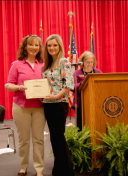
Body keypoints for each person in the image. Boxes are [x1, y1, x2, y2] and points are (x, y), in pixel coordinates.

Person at [5, 35, 46, 176]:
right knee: (24, 139)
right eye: (31, 44)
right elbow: (8, 85)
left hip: (39, 107)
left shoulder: (44, 64)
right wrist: (18, 87)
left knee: (39, 139)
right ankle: (23, 167)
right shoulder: (16, 64)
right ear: (25, 46)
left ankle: (39, 169)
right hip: (21, 106)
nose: (33, 47)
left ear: (40, 48)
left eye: (37, 45)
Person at [42, 34, 75, 176]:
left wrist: (56, 96)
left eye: (55, 45)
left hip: (59, 104)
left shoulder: (63, 62)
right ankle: (58, 170)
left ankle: (67, 172)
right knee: (54, 139)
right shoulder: (48, 64)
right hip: (48, 104)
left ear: (60, 46)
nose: (52, 48)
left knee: (59, 139)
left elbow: (69, 85)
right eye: (49, 45)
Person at [72, 51, 102, 130]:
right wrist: (82, 83)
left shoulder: (98, 72)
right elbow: (72, 87)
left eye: (92, 62)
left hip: (96, 101)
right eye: (87, 62)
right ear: (82, 62)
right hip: (81, 102)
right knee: (81, 125)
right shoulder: (77, 73)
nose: (90, 64)